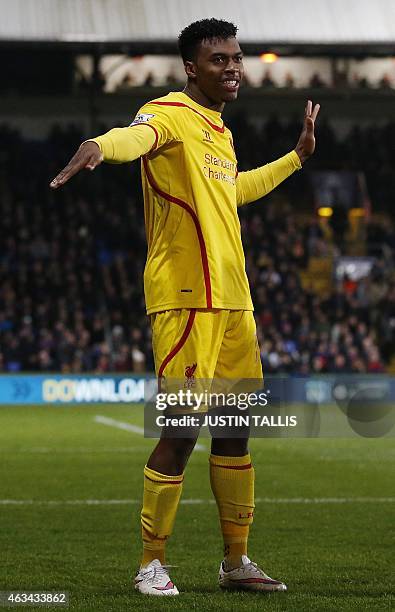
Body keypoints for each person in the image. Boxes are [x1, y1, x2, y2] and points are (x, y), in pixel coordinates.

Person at [50, 18, 319, 597]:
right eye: (219, 59)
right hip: (186, 297)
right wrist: (101, 144)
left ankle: (236, 562)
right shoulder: (168, 112)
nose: (233, 68)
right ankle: (151, 563)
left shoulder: (218, 131)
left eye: (237, 58)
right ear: (191, 68)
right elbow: (135, 137)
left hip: (233, 301)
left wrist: (297, 156)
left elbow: (235, 191)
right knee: (181, 430)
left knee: (235, 430)